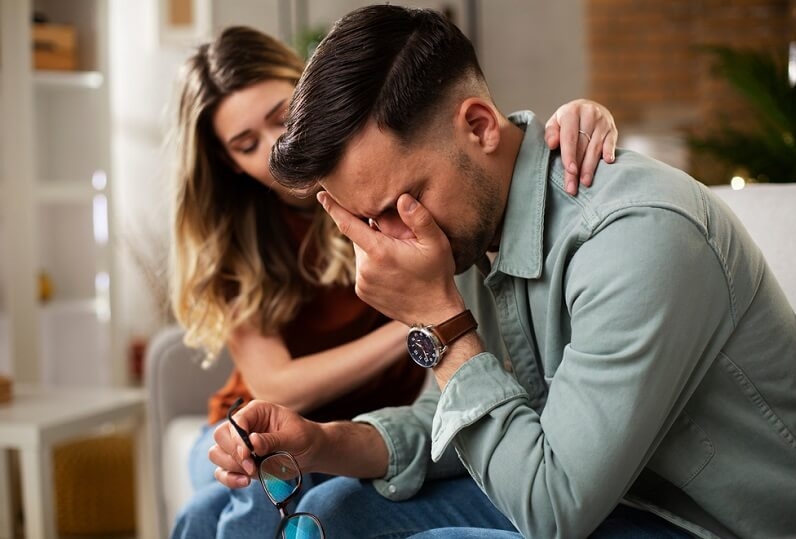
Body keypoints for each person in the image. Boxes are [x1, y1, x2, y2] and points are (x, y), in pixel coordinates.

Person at [210, 6, 796, 539]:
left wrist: (440, 323)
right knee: (335, 511)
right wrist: (322, 442)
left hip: (702, 522)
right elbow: (441, 423)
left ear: (480, 126)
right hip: (597, 500)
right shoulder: (466, 227)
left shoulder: (636, 237)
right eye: (371, 219)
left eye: (402, 202)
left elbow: (552, 510)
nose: (396, 240)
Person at [169, 24, 620, 538]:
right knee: (228, 501)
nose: (274, 151)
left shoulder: (412, 184)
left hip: (377, 418)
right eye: (246, 144)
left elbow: (491, 146)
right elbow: (275, 385)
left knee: (290, 502)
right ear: (227, 163)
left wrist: (583, 115)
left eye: (281, 119)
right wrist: (431, 323)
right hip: (283, 417)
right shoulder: (243, 238)